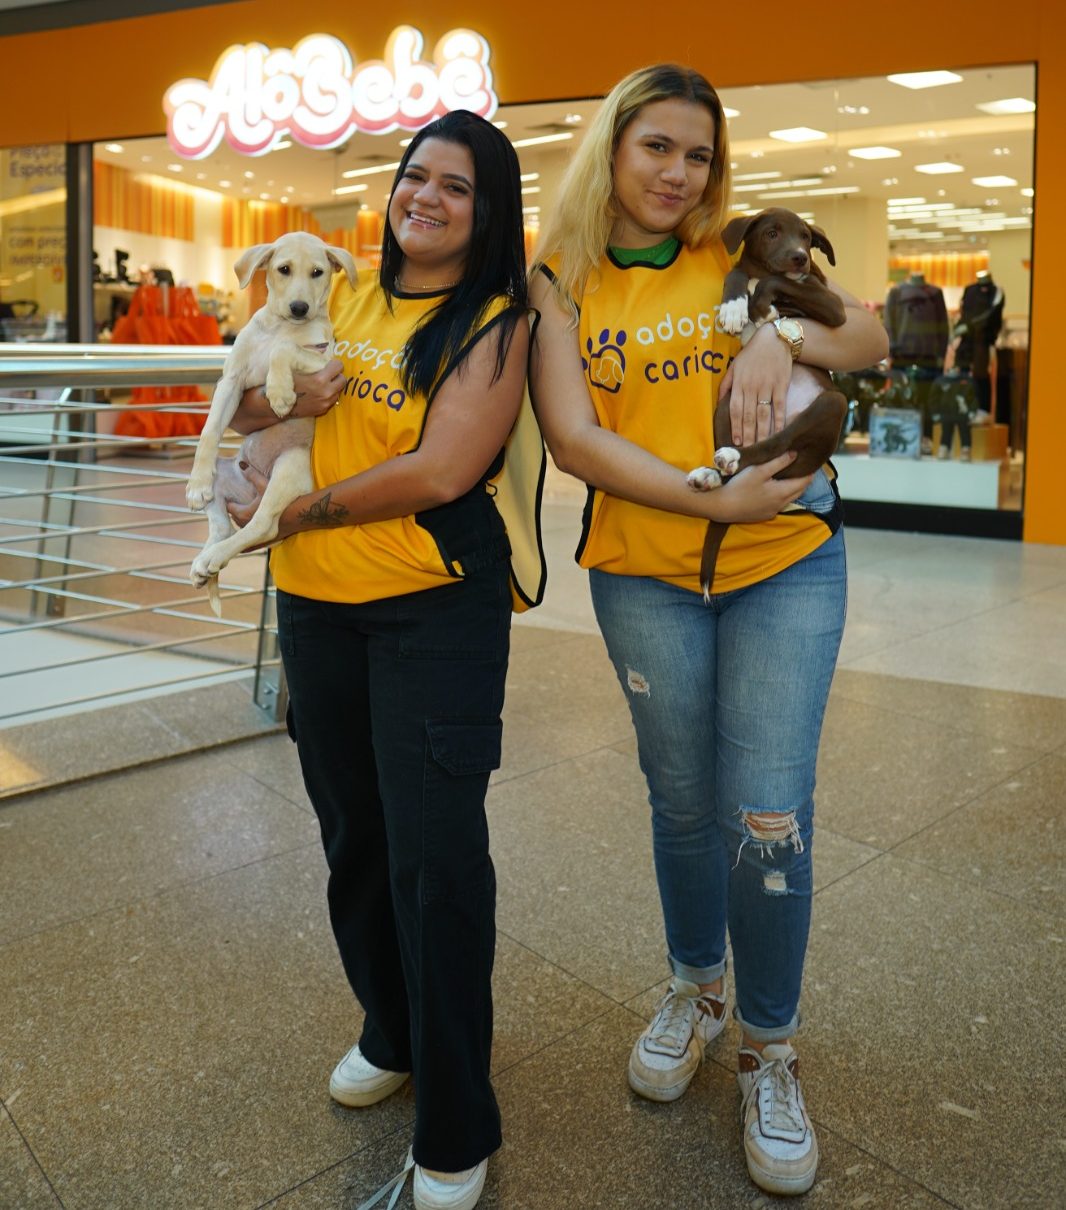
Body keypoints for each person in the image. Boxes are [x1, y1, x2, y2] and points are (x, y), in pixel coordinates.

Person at [529, 64, 888, 1197]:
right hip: (645, 575)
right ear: (612, 147)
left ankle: (770, 1049)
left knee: (767, 812)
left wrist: (784, 337)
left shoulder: (738, 251)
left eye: (698, 154)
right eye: (657, 147)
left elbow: (870, 338)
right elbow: (575, 439)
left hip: (786, 564)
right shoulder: (559, 276)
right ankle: (698, 985)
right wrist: (712, 505)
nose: (678, 173)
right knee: (682, 799)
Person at [228, 110, 531, 1210]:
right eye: (416, 176)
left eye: (457, 185)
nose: (427, 197)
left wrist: (296, 511)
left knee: (434, 861)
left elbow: (442, 470)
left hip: (430, 612)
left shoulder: (493, 322)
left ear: (487, 211)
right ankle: (391, 1030)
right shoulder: (334, 290)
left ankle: (456, 1120)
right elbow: (255, 403)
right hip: (317, 612)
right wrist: (265, 428)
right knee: (354, 837)